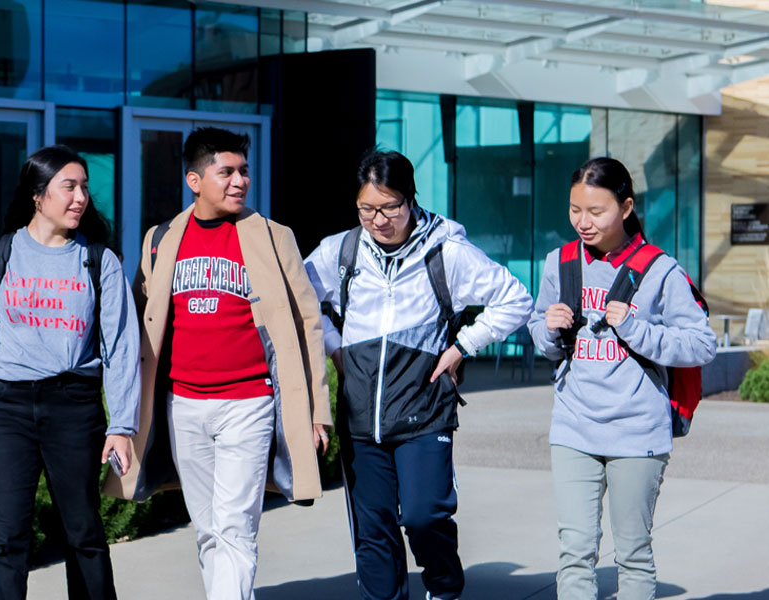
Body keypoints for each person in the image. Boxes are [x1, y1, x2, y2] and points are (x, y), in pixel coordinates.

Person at [102, 127, 332, 600]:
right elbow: (140, 327)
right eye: (226, 171)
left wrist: (317, 410)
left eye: (244, 171)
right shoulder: (160, 239)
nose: (239, 181)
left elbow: (309, 323)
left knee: (235, 527)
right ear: (194, 179)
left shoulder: (273, 237)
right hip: (183, 405)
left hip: (249, 404)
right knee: (208, 529)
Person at [305, 149, 533, 600]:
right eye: (367, 208)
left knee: (424, 516)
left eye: (390, 207)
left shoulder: (447, 252)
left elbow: (516, 300)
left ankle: (444, 587)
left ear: (411, 199)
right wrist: (335, 347)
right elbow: (303, 298)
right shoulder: (342, 250)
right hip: (361, 416)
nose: (379, 219)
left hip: (424, 409)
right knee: (374, 531)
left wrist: (462, 346)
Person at [0, 145, 141, 600]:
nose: (81, 198)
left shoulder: (100, 261)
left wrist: (122, 425)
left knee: (84, 534)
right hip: (9, 408)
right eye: (69, 187)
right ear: (38, 194)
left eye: (85, 188)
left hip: (74, 407)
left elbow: (121, 349)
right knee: (2, 538)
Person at [527, 157, 716, 599]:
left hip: (637, 433)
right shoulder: (560, 261)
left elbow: (701, 344)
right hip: (573, 427)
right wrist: (548, 329)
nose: (583, 222)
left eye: (596, 212)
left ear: (626, 207)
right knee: (574, 551)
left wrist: (635, 327)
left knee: (632, 553)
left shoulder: (659, 269)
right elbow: (542, 334)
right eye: (575, 210)